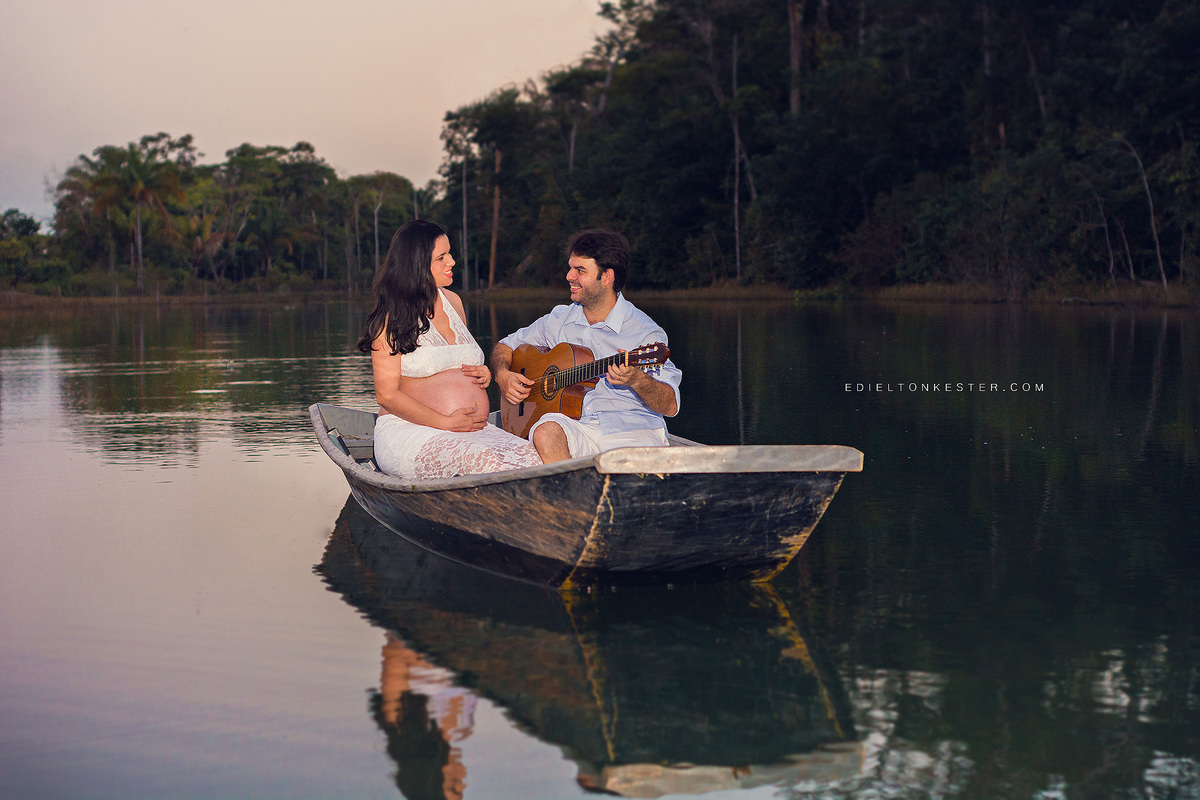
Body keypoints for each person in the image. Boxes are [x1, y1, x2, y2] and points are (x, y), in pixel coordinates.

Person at [357, 219, 541, 479]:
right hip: (411, 431)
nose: (452, 261)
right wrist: (445, 422)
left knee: (533, 457)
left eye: (449, 254)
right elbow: (386, 396)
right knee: (484, 461)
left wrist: (484, 374)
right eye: (441, 257)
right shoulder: (391, 317)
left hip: (471, 430)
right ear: (417, 265)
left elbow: (457, 364)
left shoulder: (453, 302)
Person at [492, 229, 682, 463]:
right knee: (545, 432)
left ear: (607, 277)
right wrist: (502, 375)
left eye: (580, 270)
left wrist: (637, 380)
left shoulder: (643, 332)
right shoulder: (558, 319)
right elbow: (505, 346)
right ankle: (569, 497)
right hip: (577, 426)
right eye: (571, 267)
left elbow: (670, 404)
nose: (569, 276)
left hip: (631, 430)